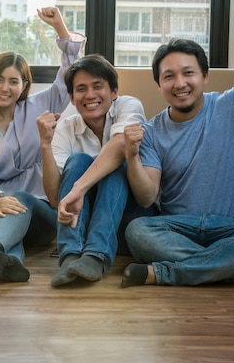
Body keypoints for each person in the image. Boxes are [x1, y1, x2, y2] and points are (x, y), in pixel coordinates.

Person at [121, 0, 234, 289]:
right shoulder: (151, 131)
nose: (180, 83)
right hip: (178, 227)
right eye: (169, 76)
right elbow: (146, 197)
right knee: (138, 231)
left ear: (205, 76)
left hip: (233, 227)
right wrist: (131, 155)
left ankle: (169, 273)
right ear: (159, 84)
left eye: (188, 73)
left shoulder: (232, 104)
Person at [0, 6, 85, 283]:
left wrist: (60, 28)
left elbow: (70, 74)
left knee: (21, 201)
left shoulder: (39, 106)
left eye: (13, 81)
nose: (5, 88)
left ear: (24, 85)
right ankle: (5, 261)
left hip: (42, 212)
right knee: (7, 212)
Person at [37, 53, 151, 287]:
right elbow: (53, 198)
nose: (89, 95)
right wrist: (45, 145)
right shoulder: (66, 128)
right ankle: (70, 256)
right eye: (81, 89)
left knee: (117, 163)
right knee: (78, 160)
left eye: (97, 86)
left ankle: (95, 257)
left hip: (129, 220)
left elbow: (119, 145)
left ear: (114, 91)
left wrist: (79, 188)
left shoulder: (129, 105)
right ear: (71, 97)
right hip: (85, 222)